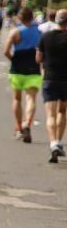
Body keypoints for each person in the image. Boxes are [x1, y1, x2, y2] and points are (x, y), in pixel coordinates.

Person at [3, 7, 43, 143]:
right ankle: (28, 124)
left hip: (17, 69)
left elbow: (6, 51)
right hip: (33, 68)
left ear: (20, 18)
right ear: (32, 17)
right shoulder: (39, 32)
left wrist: (13, 60)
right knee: (31, 99)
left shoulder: (15, 32)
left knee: (17, 99)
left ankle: (19, 127)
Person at [36, 10, 67, 163]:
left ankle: (53, 142)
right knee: (62, 111)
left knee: (51, 114)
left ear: (56, 20)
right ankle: (59, 142)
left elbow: (38, 58)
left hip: (50, 79)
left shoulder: (46, 36)